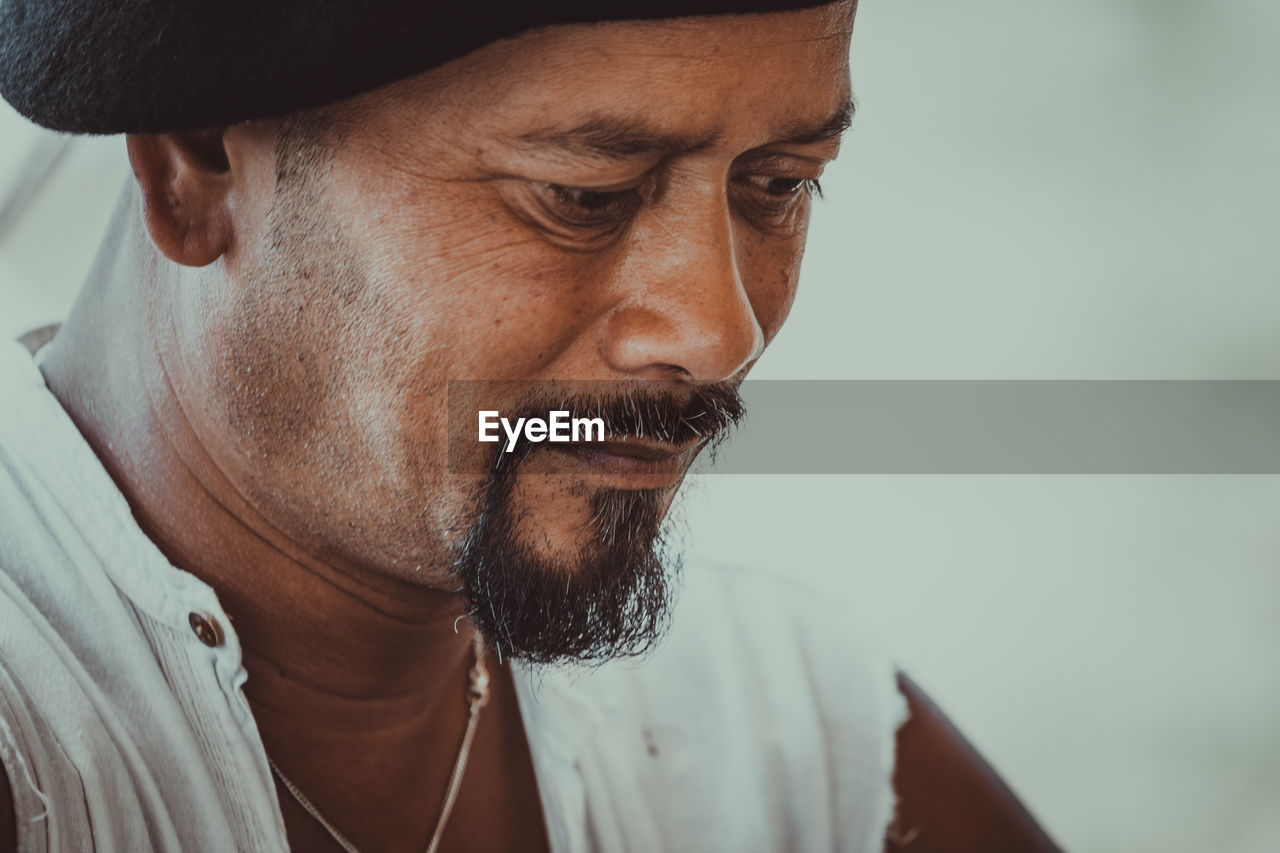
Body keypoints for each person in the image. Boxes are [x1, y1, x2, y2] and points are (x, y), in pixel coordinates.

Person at [0, 1, 1060, 850]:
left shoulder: (788, 755)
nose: (719, 330)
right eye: (583, 195)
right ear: (199, 166)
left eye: (777, 187)